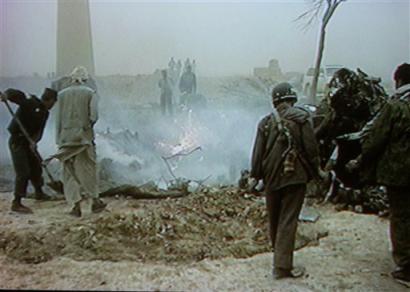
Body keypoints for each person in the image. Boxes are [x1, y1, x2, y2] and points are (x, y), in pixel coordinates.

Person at [250, 82, 321, 279]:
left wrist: (255, 176)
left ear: (275, 101)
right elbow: (311, 149)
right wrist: (317, 172)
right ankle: (282, 267)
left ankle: (278, 257)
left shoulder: (265, 122)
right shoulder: (302, 118)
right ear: (291, 100)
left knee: (274, 217)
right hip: (294, 175)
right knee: (288, 219)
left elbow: (257, 154)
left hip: (271, 175)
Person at [348, 63, 410, 285]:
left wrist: (360, 161)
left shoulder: (396, 107)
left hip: (400, 174)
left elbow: (376, 139)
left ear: (399, 81)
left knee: (401, 217)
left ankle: (406, 268)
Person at [52, 66, 106, 217]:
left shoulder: (61, 95)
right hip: (83, 139)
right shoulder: (90, 93)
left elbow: (58, 120)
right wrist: (87, 128)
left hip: (65, 139)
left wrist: (58, 140)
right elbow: (94, 116)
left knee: (69, 173)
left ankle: (76, 206)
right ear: (85, 79)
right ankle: (95, 201)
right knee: (88, 169)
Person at [0, 88, 57, 213]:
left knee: (36, 167)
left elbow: (39, 131)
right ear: (50, 100)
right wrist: (6, 95)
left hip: (29, 143)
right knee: (23, 171)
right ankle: (17, 202)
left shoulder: (45, 113)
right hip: (17, 141)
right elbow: (16, 94)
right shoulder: (31, 102)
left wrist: (35, 142)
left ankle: (39, 192)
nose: (53, 105)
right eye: (54, 102)